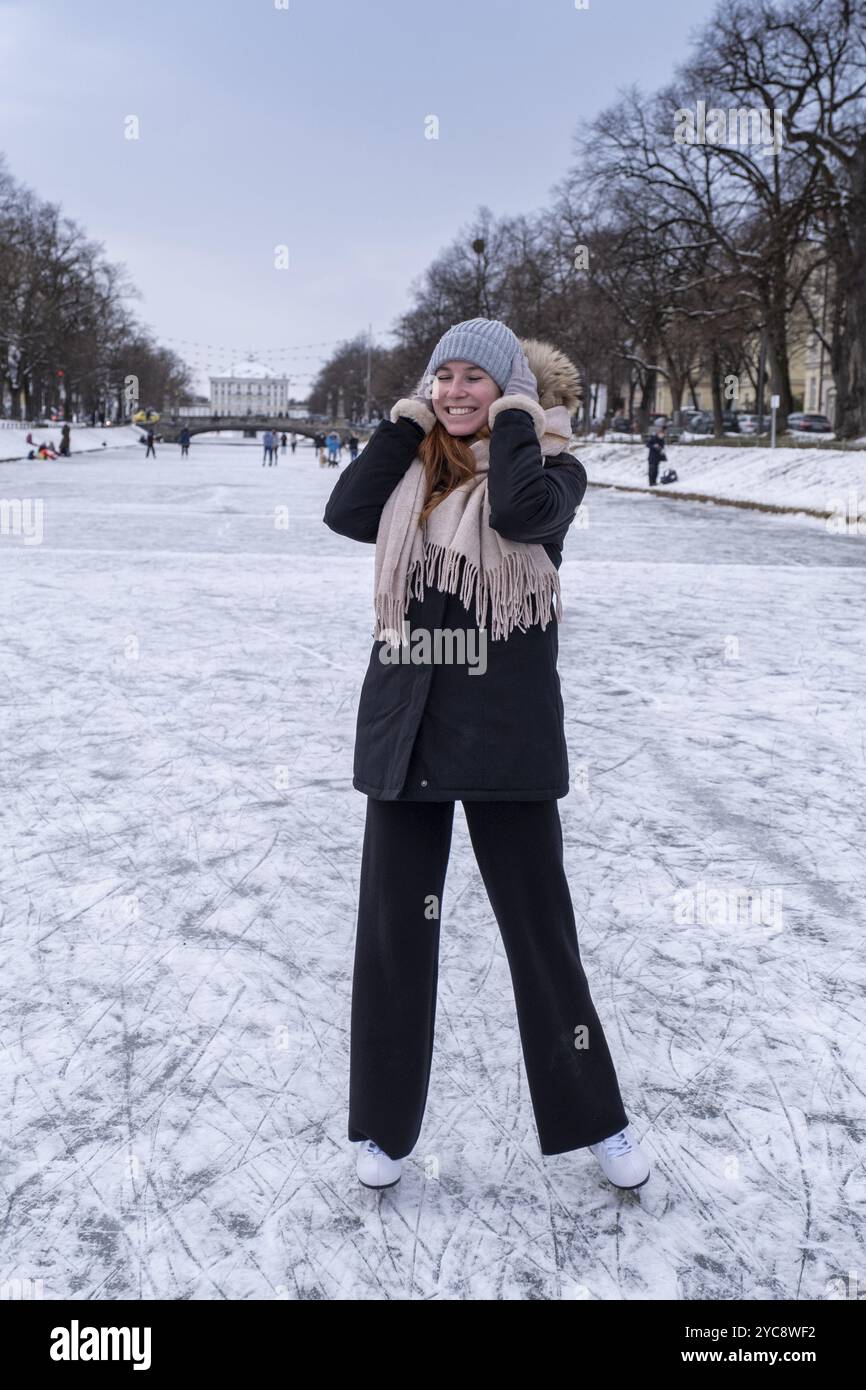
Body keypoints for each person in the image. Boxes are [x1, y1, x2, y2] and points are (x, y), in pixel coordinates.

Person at [323, 316, 651, 1194]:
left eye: (477, 379)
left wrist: (514, 418)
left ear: (509, 390)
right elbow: (345, 511)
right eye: (444, 378)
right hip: (409, 727)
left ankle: (599, 1121)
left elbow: (517, 516)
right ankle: (384, 1132)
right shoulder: (410, 468)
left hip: (506, 733)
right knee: (396, 940)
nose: (455, 392)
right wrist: (402, 424)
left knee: (541, 936)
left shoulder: (550, 470)